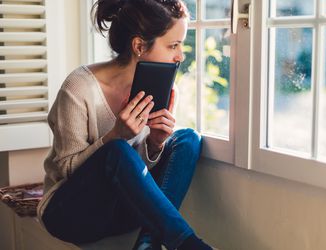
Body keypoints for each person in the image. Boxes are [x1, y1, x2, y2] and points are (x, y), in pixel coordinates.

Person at [36, 0, 213, 249]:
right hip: (71, 213)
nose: (180, 56)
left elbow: (139, 171)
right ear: (139, 46)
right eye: (173, 45)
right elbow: (65, 170)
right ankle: (188, 244)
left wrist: (155, 143)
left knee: (188, 139)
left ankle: (148, 244)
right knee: (117, 150)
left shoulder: (163, 88)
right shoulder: (79, 88)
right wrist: (115, 135)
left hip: (125, 208)